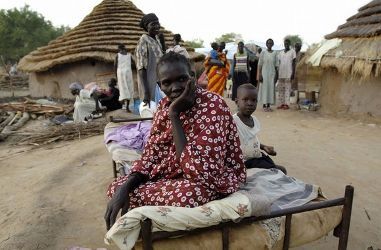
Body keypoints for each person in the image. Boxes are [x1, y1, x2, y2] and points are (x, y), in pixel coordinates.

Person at [104, 52, 246, 230]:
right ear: (159, 86)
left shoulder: (213, 105)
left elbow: (201, 173)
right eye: (167, 83)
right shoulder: (163, 108)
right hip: (173, 176)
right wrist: (126, 187)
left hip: (211, 177)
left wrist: (174, 114)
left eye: (181, 79)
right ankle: (149, 203)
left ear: (192, 77)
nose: (175, 87)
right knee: (116, 187)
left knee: (191, 194)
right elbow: (150, 157)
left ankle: (149, 207)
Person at [233, 83, 287, 174]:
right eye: (245, 100)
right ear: (237, 102)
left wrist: (263, 147)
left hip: (257, 157)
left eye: (254, 100)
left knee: (281, 170)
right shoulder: (233, 122)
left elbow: (250, 139)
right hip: (244, 162)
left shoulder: (254, 120)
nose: (250, 103)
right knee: (277, 172)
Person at [136, 13, 165, 106]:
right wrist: (146, 92)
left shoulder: (157, 39)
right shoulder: (143, 41)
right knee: (154, 109)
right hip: (151, 83)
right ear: (146, 26)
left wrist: (163, 43)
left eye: (157, 23)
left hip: (161, 81)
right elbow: (141, 68)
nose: (157, 26)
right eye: (153, 24)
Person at [258, 39, 278, 112]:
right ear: (266, 44)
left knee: (270, 89)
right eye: (268, 43)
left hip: (272, 74)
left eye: (271, 43)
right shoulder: (263, 53)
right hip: (264, 74)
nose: (269, 44)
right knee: (264, 88)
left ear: (272, 44)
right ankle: (264, 105)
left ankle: (269, 105)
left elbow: (276, 66)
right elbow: (260, 65)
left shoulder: (275, 53)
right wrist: (260, 74)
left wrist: (277, 76)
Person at [276, 39, 296, 110]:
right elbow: (278, 63)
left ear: (289, 44)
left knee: (287, 89)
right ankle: (281, 103)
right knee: (281, 89)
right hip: (281, 73)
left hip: (288, 73)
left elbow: (294, 63)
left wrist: (293, 73)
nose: (286, 44)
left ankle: (286, 104)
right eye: (285, 43)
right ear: (284, 44)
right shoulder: (281, 53)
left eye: (287, 43)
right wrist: (277, 73)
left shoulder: (292, 52)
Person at [115, 44, 134, 112]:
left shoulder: (117, 55)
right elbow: (133, 63)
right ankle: (127, 107)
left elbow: (115, 66)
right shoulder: (129, 55)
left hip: (120, 73)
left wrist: (116, 76)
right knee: (129, 89)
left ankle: (123, 104)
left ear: (120, 48)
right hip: (128, 73)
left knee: (123, 90)